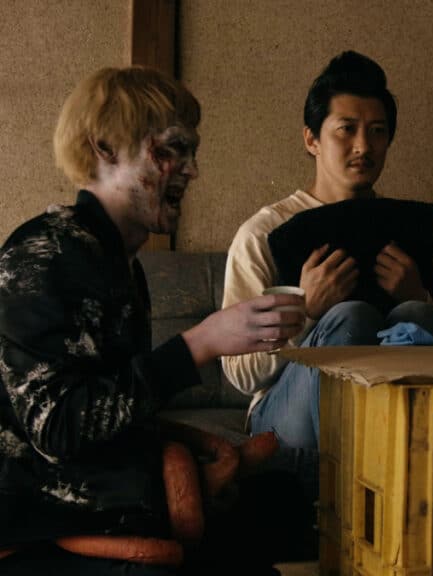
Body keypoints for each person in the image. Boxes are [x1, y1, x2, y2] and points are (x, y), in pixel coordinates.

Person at [0, 67, 305, 574]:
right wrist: (198, 345)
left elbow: (116, 407)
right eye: (172, 150)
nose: (192, 170)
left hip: (106, 498)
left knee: (286, 504)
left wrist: (202, 450)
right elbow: (56, 428)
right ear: (104, 149)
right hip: (39, 520)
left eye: (193, 152)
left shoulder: (119, 263)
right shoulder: (45, 252)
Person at [221, 51, 433, 457]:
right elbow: (240, 373)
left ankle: (405, 476)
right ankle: (342, 486)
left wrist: (419, 296)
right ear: (311, 139)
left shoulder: (414, 230)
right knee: (352, 317)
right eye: (346, 129)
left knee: (417, 315)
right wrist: (305, 313)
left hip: (393, 415)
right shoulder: (262, 233)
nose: (363, 146)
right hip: (286, 416)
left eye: (377, 131)